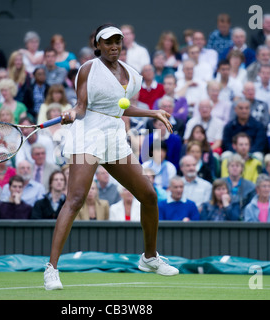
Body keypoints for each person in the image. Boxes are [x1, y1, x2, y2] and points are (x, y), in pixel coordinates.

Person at [44, 24, 179, 291]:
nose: (114, 45)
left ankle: (149, 258)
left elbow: (121, 110)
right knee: (75, 199)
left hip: (115, 137)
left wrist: (153, 113)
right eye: (108, 42)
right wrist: (71, 112)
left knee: (149, 195)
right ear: (98, 45)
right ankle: (51, 269)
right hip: (88, 135)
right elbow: (81, 107)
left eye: (118, 41)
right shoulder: (88, 69)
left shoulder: (131, 73)